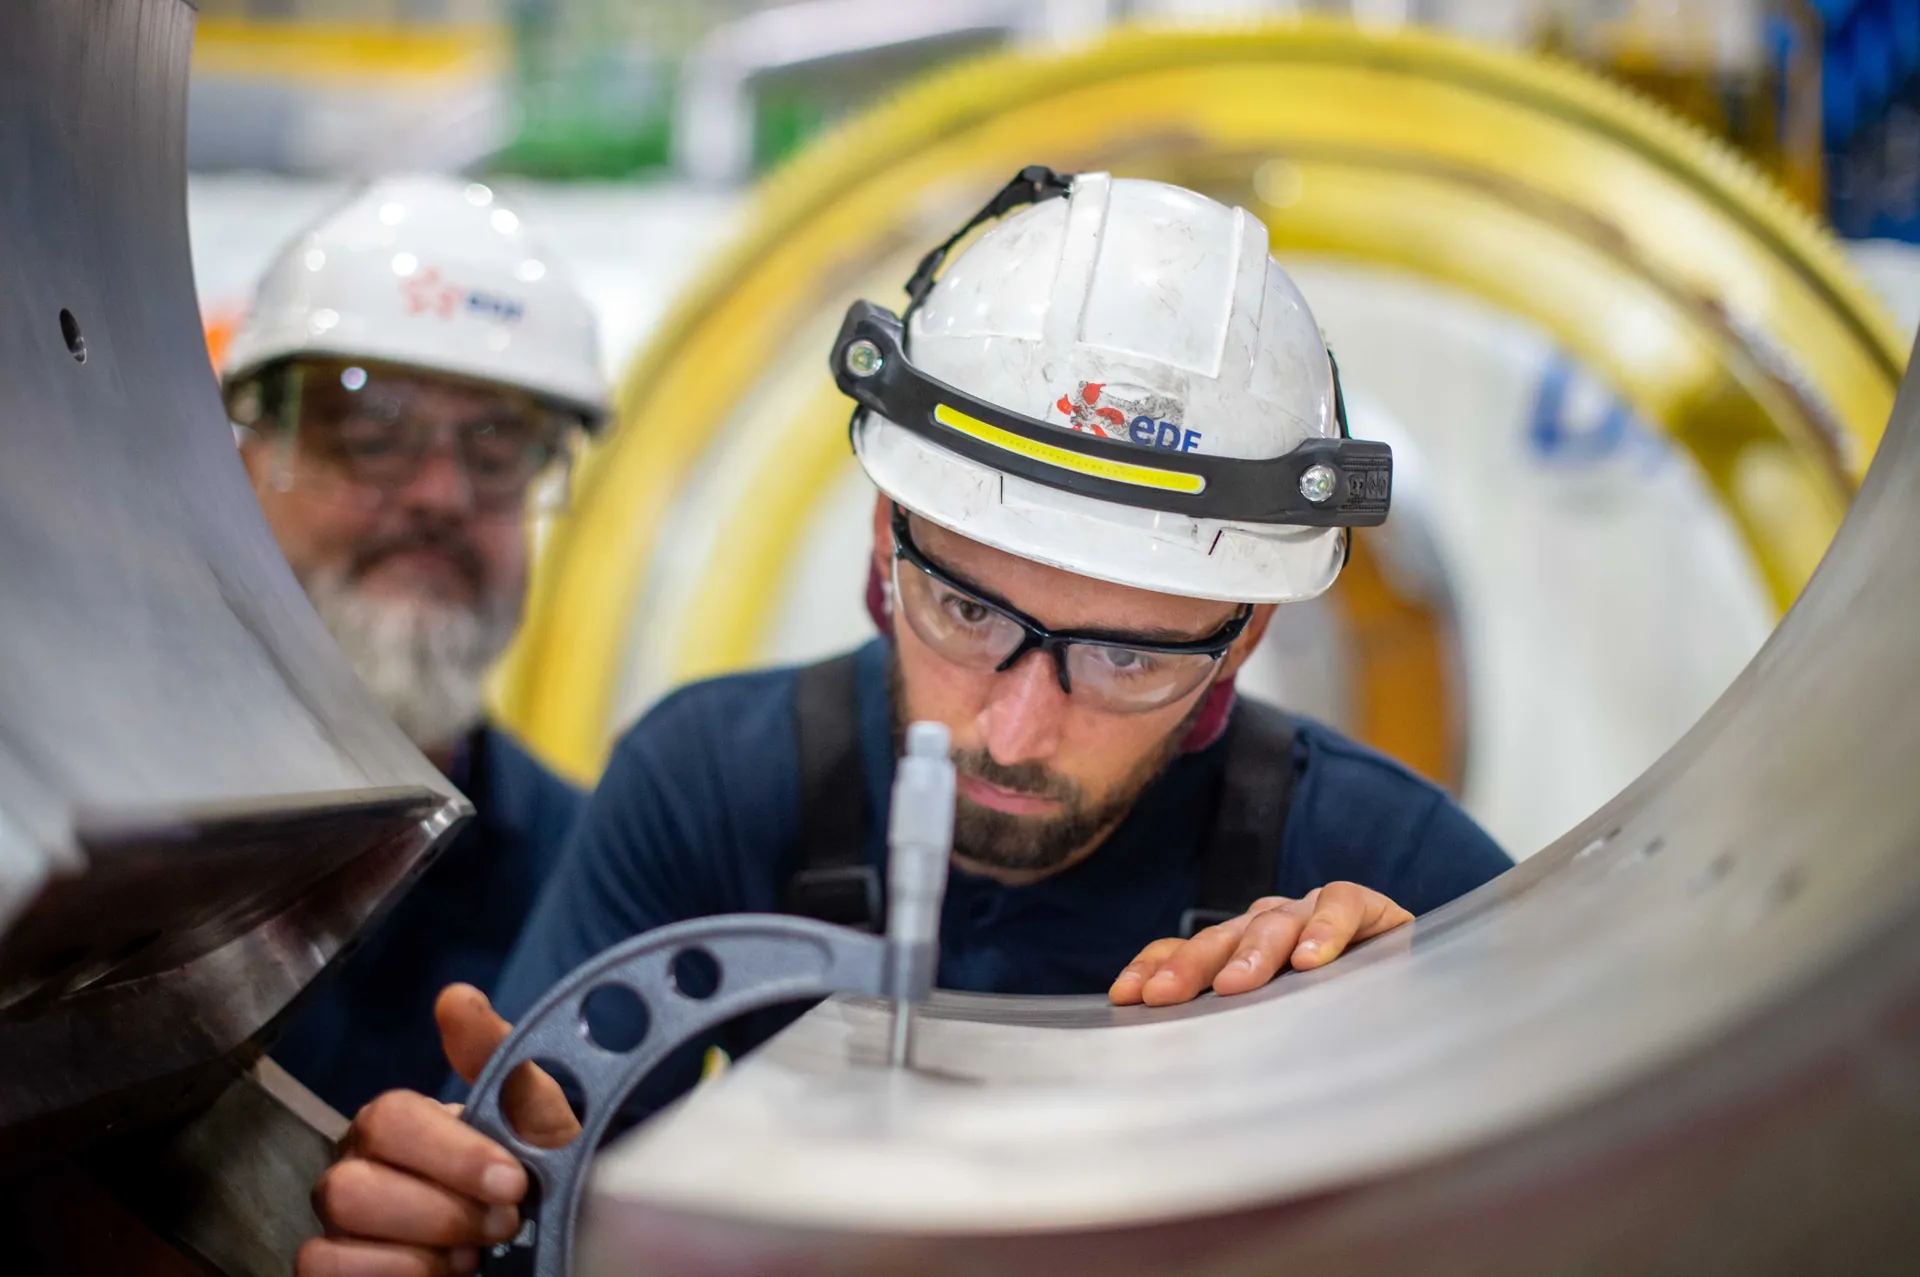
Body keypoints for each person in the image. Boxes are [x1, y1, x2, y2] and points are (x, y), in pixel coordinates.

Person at [298, 168, 1513, 1276]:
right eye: (967, 609)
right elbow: (536, 1170)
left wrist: (1431, 1077)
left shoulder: (1389, 886)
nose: (1018, 727)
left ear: (1242, 642)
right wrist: (488, 1221)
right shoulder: (713, 782)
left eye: (1128, 656)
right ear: (886, 550)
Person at [222, 175, 609, 1119]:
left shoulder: (592, 874)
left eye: (497, 447)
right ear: (242, 458)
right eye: (369, 429)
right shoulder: (92, 821)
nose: (441, 494)